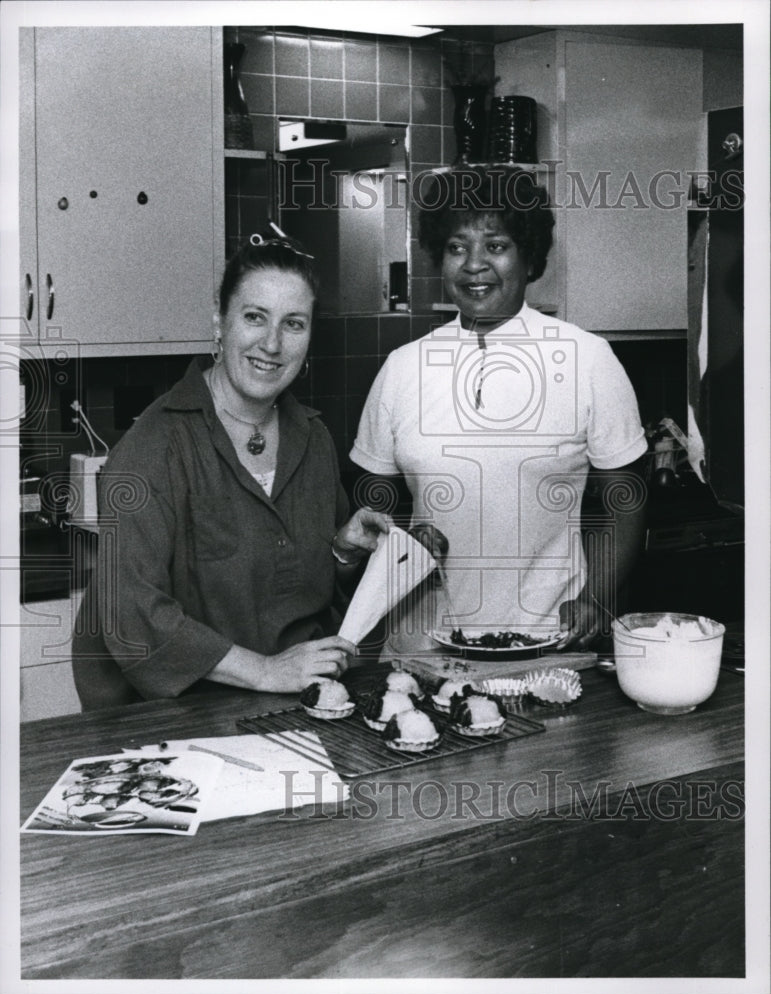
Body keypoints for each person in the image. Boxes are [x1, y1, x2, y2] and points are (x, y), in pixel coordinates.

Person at [72, 233, 389, 708]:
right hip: (176, 721)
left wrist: (341, 553)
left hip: (293, 707)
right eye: (254, 317)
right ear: (219, 321)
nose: (273, 343)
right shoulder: (154, 448)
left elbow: (283, 586)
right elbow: (131, 614)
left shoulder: (314, 439)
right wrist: (264, 669)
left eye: (294, 324)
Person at [349, 166, 648, 654]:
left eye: (496, 245)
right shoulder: (403, 368)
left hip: (543, 640)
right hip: (422, 644)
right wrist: (403, 535)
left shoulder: (587, 358)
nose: (473, 265)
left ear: (529, 257)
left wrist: (595, 596)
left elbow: (627, 498)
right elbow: (369, 495)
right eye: (456, 247)